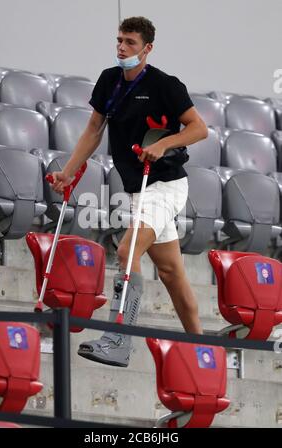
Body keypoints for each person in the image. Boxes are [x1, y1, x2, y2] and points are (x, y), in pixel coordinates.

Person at [51, 16, 208, 367]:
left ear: (147, 48)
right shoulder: (109, 80)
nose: (122, 47)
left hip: (165, 185)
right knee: (170, 273)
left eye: (130, 42)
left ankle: (120, 339)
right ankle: (202, 351)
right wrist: (67, 172)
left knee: (126, 249)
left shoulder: (166, 85)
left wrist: (164, 144)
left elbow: (200, 129)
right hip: (138, 189)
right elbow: (93, 130)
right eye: (119, 40)